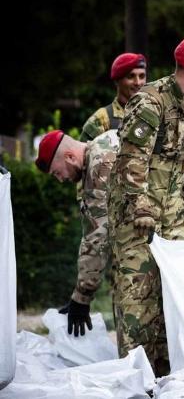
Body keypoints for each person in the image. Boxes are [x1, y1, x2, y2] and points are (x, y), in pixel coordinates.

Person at [107, 35, 184, 376]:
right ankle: (139, 378)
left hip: (175, 209)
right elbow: (132, 158)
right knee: (138, 297)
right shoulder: (150, 102)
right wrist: (140, 205)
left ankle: (171, 375)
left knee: (175, 293)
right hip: (135, 213)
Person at [35, 129, 119, 336]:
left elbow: (98, 236)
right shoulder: (106, 141)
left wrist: (81, 298)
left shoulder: (99, 164)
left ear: (70, 157)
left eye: (57, 172)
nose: (61, 179)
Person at [80, 53, 147, 142]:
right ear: (117, 81)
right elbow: (83, 153)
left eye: (142, 76)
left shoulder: (154, 112)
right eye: (131, 76)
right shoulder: (102, 119)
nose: (138, 82)